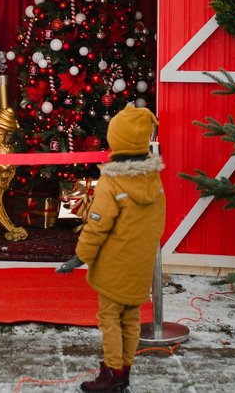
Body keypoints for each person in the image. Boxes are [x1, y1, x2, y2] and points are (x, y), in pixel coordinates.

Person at [56, 103, 166, 392]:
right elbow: (158, 223)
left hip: (115, 266)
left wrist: (79, 257)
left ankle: (112, 375)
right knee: (131, 318)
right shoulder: (154, 179)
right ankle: (124, 373)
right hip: (140, 264)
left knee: (110, 320)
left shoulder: (111, 182)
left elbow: (97, 225)